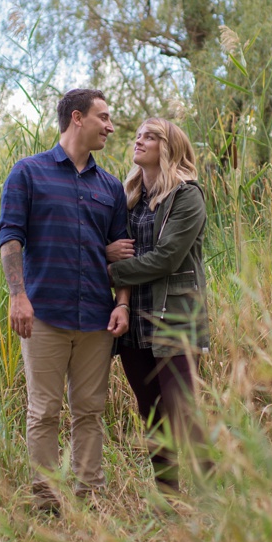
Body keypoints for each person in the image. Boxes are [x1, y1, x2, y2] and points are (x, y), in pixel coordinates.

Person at [0, 88, 131, 515]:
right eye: (104, 117)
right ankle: (46, 503)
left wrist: (122, 303)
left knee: (90, 412)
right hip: (45, 315)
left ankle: (88, 501)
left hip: (95, 316)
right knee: (44, 412)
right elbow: (10, 236)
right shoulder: (28, 173)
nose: (110, 126)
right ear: (77, 118)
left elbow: (123, 253)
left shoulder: (110, 187)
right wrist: (18, 296)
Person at [104, 117, 212, 500]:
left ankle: (209, 496)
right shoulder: (129, 198)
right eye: (138, 136)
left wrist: (109, 270)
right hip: (135, 322)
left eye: (151, 136)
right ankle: (169, 497)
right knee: (151, 413)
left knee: (184, 413)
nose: (140, 141)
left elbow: (167, 258)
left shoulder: (187, 195)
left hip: (175, 319)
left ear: (169, 147)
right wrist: (119, 289)